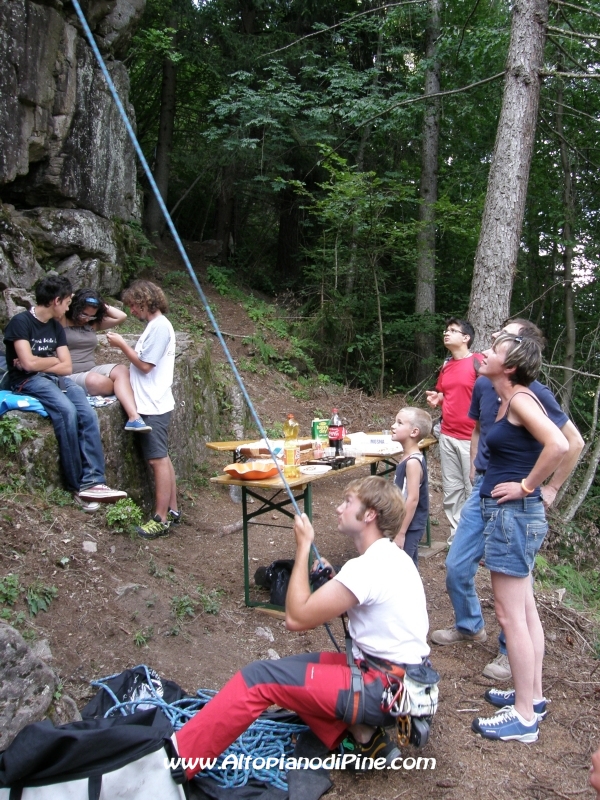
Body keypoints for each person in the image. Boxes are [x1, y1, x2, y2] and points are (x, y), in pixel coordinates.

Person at [173, 476, 431, 776]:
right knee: (291, 672)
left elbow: (296, 618)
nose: (338, 508)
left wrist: (302, 547)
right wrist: (334, 583)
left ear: (370, 514)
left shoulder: (366, 568)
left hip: (382, 688)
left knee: (259, 679)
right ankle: (365, 740)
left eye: (348, 502)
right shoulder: (392, 558)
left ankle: (176, 762)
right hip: (403, 683)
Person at [431, 319, 584, 682]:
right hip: (484, 486)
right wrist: (474, 465)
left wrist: (545, 488)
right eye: (498, 333)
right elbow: (480, 426)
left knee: (515, 590)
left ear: (517, 352)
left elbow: (570, 443)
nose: (495, 337)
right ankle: (469, 625)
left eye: (504, 337)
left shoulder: (531, 392)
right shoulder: (486, 382)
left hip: (513, 497)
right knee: (456, 565)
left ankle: (509, 653)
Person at [469, 332, 569, 743]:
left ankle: (524, 717)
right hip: (511, 517)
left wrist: (528, 486)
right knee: (525, 612)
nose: (486, 354)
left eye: (494, 352)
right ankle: (535, 695)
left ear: (508, 367)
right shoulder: (511, 399)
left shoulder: (523, 399)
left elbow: (560, 443)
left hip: (513, 516)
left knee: (511, 618)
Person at [3, 275, 127, 513]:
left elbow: (66, 367)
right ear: (56, 300)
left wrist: (38, 361)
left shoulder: (55, 326)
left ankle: (95, 481)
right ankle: (77, 486)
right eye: (68, 301)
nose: (70, 307)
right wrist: (44, 362)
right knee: (66, 411)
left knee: (86, 413)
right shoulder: (20, 323)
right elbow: (27, 367)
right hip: (26, 381)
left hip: (55, 378)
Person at [106, 280, 179, 538]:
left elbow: (146, 365)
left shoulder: (160, 327)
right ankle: (173, 510)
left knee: (156, 460)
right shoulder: (154, 327)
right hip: (153, 401)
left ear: (145, 301)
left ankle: (159, 518)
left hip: (154, 404)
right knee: (162, 456)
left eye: (134, 306)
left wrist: (121, 345)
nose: (132, 311)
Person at [59, 288, 151, 433]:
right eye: (84, 313)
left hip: (90, 369)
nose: (86, 318)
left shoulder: (91, 324)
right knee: (95, 381)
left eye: (91, 316)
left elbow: (121, 316)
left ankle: (134, 417)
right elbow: (57, 297)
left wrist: (100, 303)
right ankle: (122, 389)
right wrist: (79, 297)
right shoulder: (61, 320)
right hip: (68, 374)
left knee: (121, 369)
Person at [426, 318, 483, 544]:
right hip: (447, 435)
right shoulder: (447, 366)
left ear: (466, 338)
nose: (446, 333)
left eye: (452, 331)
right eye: (445, 330)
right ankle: (456, 540)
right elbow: (445, 394)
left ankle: (476, 542)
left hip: (472, 439)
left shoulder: (479, 362)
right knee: (452, 491)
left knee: (473, 491)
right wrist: (436, 398)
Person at [390, 406, 432, 567]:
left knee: (403, 566)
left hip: (410, 525)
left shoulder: (413, 462)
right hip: (403, 522)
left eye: (399, 423)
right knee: (409, 564)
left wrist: (400, 532)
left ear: (414, 432)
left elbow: (413, 499)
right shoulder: (406, 457)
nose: (393, 426)